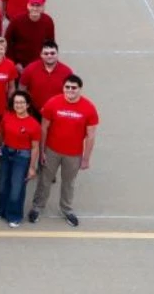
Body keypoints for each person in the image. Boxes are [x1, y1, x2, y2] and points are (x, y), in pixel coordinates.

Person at [30, 75, 99, 227]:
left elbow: (91, 136)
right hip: (51, 151)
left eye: (74, 88)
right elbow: (43, 128)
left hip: (73, 154)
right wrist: (42, 151)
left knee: (69, 183)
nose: (70, 90)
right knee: (44, 181)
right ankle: (37, 207)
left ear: (80, 89)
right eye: (67, 87)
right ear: (63, 88)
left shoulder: (89, 108)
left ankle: (66, 209)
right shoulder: (52, 103)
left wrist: (86, 158)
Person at [0, 90, 40, 227]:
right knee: (3, 185)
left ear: (27, 105)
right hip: (6, 153)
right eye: (16, 102)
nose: (18, 105)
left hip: (22, 157)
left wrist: (32, 167)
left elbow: (35, 147)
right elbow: (1, 135)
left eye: (22, 102)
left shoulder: (34, 124)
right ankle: (1, 211)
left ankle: (14, 215)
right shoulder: (7, 116)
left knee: (17, 187)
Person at [20, 42, 74, 114]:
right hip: (33, 112)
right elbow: (21, 90)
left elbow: (71, 93)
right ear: (41, 55)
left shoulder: (67, 72)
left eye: (52, 53)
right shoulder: (30, 69)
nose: (49, 56)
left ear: (57, 54)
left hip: (58, 112)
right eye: (46, 53)